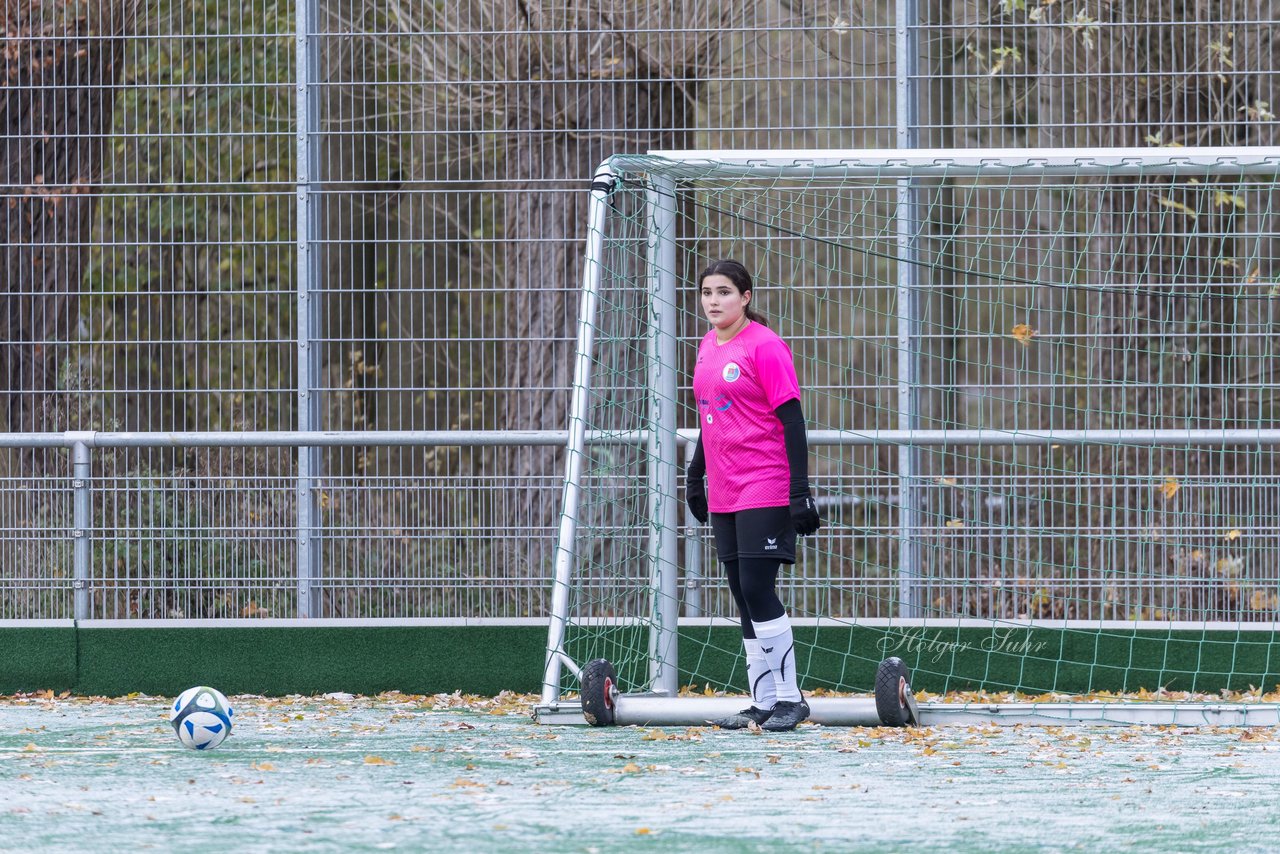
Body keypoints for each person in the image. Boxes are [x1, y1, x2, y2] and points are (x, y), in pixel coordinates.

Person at [685, 259, 821, 732]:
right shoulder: (707, 346)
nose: (713, 301)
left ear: (745, 297)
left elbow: (792, 421)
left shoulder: (765, 346)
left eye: (724, 292)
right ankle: (763, 702)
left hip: (765, 481)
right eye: (707, 292)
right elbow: (713, 415)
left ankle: (791, 699)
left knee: (758, 587)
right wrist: (695, 475)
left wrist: (799, 491)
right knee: (742, 594)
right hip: (725, 487)